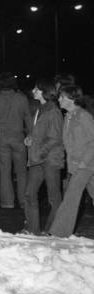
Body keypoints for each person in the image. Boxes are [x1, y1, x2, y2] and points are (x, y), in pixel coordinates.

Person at [49, 86, 94, 238]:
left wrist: (84, 161)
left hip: (86, 164)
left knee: (71, 196)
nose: (59, 99)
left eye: (62, 97)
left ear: (72, 99)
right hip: (75, 164)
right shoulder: (68, 116)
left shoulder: (83, 116)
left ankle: (59, 233)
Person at [22, 79, 63, 234]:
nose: (33, 91)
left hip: (50, 159)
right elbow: (39, 132)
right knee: (29, 193)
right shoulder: (40, 109)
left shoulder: (53, 112)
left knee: (54, 197)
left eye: (37, 89)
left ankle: (52, 229)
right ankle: (33, 229)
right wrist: (30, 137)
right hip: (37, 159)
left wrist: (39, 152)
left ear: (45, 92)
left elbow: (55, 138)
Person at [0, 72, 31, 209]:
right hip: (18, 138)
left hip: (1, 139)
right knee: (21, 172)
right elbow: (28, 119)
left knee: (4, 171)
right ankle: (24, 201)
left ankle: (7, 203)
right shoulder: (21, 98)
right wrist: (31, 134)